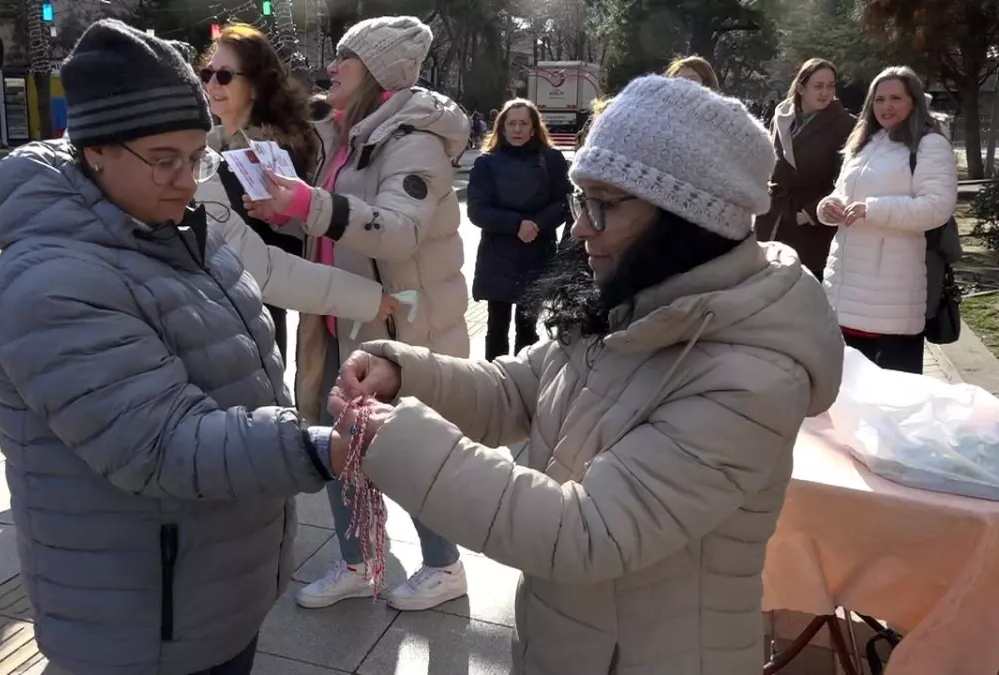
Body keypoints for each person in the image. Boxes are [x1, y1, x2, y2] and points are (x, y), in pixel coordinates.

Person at [329, 76, 845, 674]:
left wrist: (395, 440)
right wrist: (404, 374)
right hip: (570, 642)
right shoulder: (633, 297)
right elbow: (518, 389)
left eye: (603, 203)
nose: (579, 227)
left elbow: (588, 532)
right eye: (580, 199)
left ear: (688, 218)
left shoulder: (752, 374)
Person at [0, 20, 353, 675]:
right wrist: (321, 446)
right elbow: (164, 441)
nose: (185, 180)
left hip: (210, 596)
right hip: (143, 626)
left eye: (195, 155)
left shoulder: (179, 232)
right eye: (163, 158)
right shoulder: (51, 283)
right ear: (94, 151)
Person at [245, 15, 472, 612]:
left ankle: (445, 565)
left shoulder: (414, 138)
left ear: (376, 70)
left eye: (345, 58)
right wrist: (288, 213)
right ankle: (357, 562)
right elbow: (335, 219)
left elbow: (396, 233)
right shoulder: (348, 132)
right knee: (338, 442)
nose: (331, 68)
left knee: (404, 452)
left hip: (396, 327)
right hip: (338, 316)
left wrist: (307, 202)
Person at [818, 66, 957, 374]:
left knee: (895, 397)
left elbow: (937, 207)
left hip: (892, 296)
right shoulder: (865, 142)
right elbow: (842, 192)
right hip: (845, 286)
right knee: (847, 392)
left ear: (914, 101)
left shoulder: (929, 144)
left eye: (896, 97)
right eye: (879, 99)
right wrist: (827, 207)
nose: (886, 106)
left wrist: (873, 209)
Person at [199, 23, 316, 362]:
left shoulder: (273, 151)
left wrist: (278, 214)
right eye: (207, 74)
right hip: (205, 305)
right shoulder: (203, 143)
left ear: (254, 85)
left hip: (255, 310)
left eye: (224, 77)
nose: (211, 86)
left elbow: (295, 240)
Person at [468, 98, 569, 360]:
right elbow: (477, 211)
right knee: (496, 327)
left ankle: (524, 384)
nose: (517, 129)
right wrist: (516, 225)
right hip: (497, 255)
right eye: (511, 123)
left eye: (523, 123)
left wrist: (537, 224)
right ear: (501, 127)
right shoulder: (486, 163)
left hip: (537, 253)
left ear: (534, 128)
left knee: (528, 327)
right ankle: (493, 385)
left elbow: (563, 202)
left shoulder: (552, 159)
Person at [754, 58, 856, 280]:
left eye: (830, 85)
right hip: (773, 216)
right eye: (818, 86)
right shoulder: (781, 118)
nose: (825, 92)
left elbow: (847, 180)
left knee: (803, 295)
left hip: (811, 224)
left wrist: (809, 214)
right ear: (801, 87)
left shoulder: (845, 124)